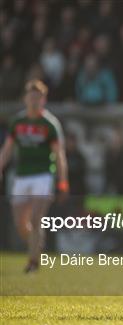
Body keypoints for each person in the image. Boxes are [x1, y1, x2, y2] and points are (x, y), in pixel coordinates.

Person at [0, 79, 69, 273]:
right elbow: (7, 150)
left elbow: (59, 155)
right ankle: (37, 243)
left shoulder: (49, 124)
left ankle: (33, 263)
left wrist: (62, 181)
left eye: (38, 98)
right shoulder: (17, 122)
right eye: (31, 97)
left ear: (43, 100)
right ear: (25, 99)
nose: (34, 101)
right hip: (21, 176)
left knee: (37, 219)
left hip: (43, 176)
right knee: (20, 224)